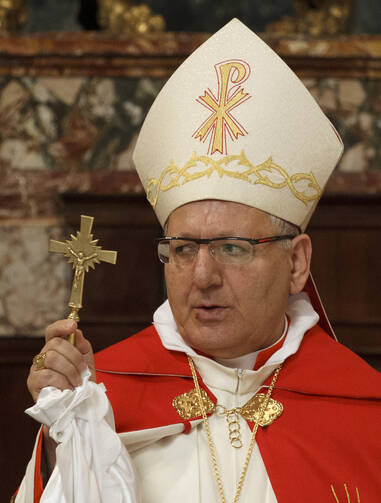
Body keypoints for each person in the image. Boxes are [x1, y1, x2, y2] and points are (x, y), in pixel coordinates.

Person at [15, 19, 381, 503]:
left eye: (233, 248)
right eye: (184, 250)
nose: (203, 277)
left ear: (296, 263)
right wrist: (67, 432)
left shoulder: (363, 412)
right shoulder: (99, 398)